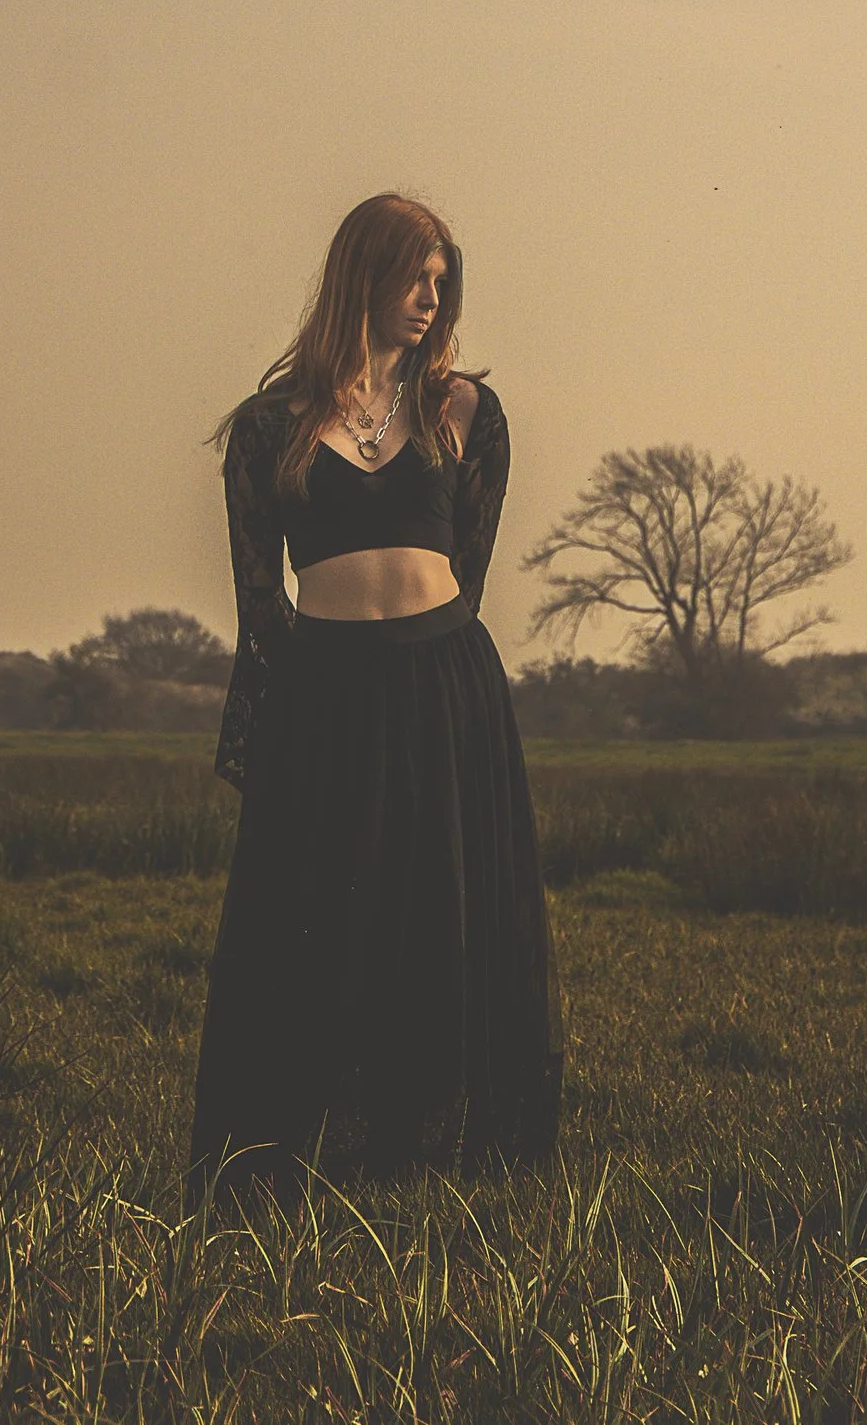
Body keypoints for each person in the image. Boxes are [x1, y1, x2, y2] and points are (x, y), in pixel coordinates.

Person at [189, 193, 562, 1193]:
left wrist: (422, 662)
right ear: (364, 275)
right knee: (323, 921)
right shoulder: (270, 427)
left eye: (443, 284)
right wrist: (285, 720)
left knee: (438, 916)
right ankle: (299, 1162)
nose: (430, 302)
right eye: (414, 278)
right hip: (325, 689)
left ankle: (434, 1156)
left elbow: (469, 570)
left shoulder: (466, 413)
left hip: (445, 687)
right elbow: (259, 602)